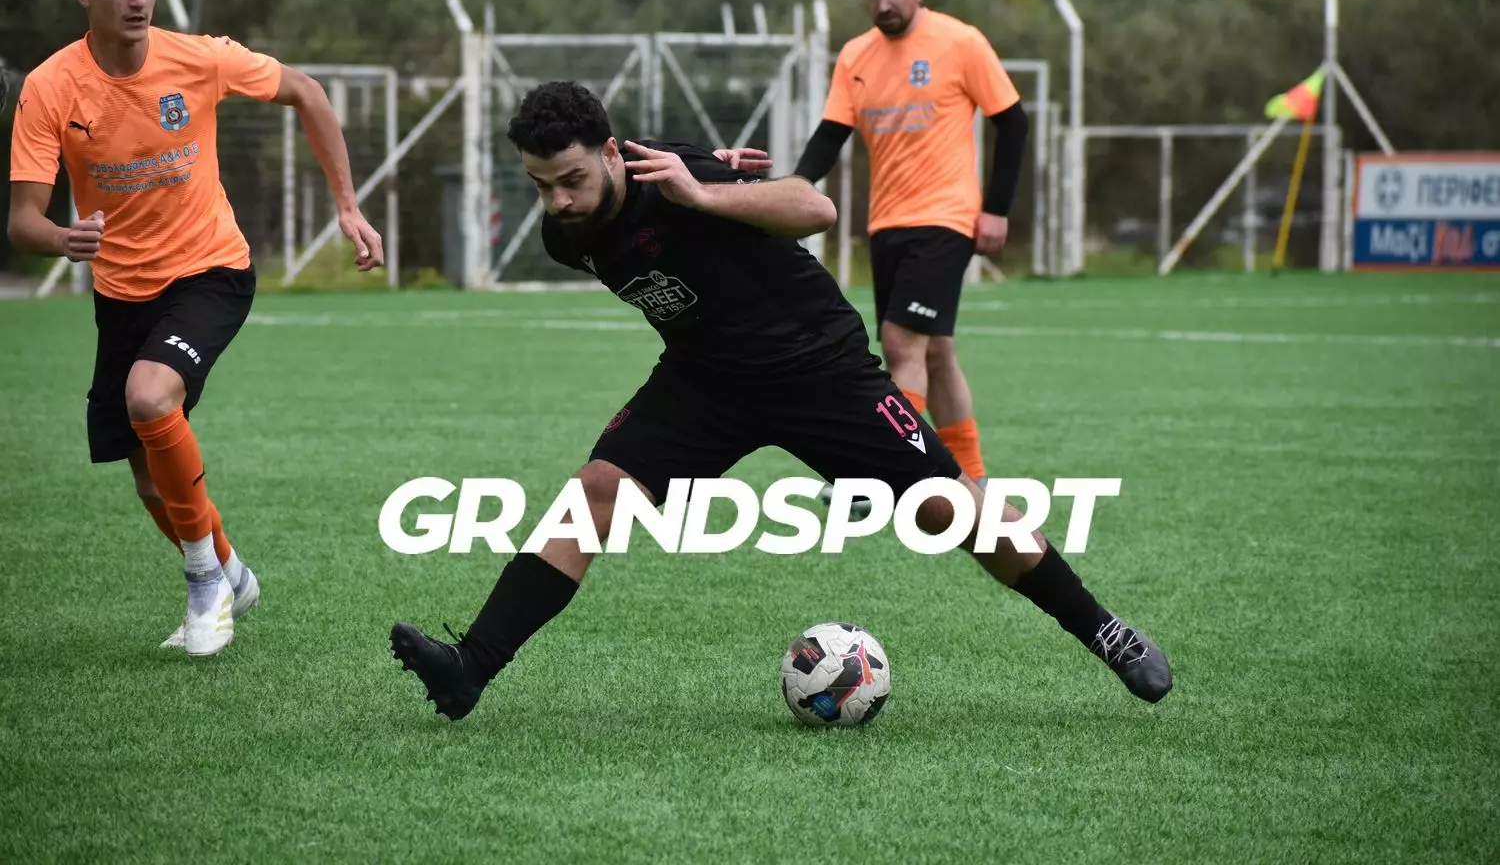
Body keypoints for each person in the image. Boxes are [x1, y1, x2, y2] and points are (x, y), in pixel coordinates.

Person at [388, 81, 1170, 720]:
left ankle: (1106, 632)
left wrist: (707, 191)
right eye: (542, 185)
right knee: (595, 493)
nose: (559, 201)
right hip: (705, 380)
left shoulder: (675, 176)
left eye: (572, 180)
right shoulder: (567, 234)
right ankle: (469, 668)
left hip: (818, 369)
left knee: (947, 508)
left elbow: (815, 210)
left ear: (614, 152)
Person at [7, 0, 384, 657]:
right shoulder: (50, 88)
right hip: (121, 292)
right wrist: (61, 238)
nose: (138, 0)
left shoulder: (199, 58)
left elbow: (307, 92)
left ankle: (205, 584)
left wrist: (347, 206)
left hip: (212, 270)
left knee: (150, 398)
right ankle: (232, 572)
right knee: (151, 480)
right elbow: (22, 220)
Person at [793, 0, 1031, 492]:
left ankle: (873, 474)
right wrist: (790, 190)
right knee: (935, 351)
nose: (883, 4)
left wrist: (996, 210)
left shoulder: (961, 42)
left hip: (946, 219)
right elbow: (830, 136)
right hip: (887, 224)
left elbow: (1013, 122)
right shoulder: (855, 56)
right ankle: (973, 480)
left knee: (901, 343)